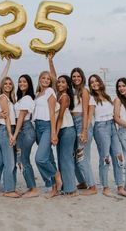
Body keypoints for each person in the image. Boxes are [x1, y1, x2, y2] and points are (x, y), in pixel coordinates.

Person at [88, 74, 126, 197]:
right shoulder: (92, 98)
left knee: (118, 156)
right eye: (91, 82)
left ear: (100, 82)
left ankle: (120, 186)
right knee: (105, 157)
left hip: (112, 126)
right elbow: (90, 117)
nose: (94, 83)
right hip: (101, 128)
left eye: (96, 81)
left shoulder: (107, 96)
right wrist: (85, 132)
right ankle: (105, 187)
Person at [48, 55, 77, 196]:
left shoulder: (65, 97)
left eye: (63, 82)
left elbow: (59, 118)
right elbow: (53, 77)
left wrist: (54, 134)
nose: (59, 84)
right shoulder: (58, 94)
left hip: (66, 130)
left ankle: (71, 189)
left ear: (67, 85)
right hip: (62, 130)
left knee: (66, 159)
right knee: (61, 159)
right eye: (59, 82)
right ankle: (66, 186)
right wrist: (50, 61)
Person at [33, 70, 61, 198]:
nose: (45, 80)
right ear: (39, 79)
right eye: (43, 78)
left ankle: (56, 175)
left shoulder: (50, 91)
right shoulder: (38, 93)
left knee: (40, 158)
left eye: (48, 79)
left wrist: (53, 133)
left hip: (47, 126)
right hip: (37, 126)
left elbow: (52, 113)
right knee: (48, 158)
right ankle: (54, 188)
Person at [70, 67, 97, 195]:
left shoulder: (84, 91)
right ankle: (82, 182)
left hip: (82, 124)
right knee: (74, 156)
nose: (76, 78)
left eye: (78, 76)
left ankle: (92, 187)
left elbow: (86, 112)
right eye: (74, 76)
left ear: (82, 77)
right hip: (72, 123)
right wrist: (51, 62)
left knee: (82, 157)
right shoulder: (71, 91)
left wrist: (84, 131)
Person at [11, 74, 38, 198]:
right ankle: (31, 187)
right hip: (22, 130)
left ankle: (33, 189)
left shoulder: (27, 98)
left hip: (25, 130)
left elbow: (21, 117)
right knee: (21, 159)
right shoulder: (21, 98)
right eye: (20, 81)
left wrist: (14, 135)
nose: (22, 83)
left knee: (23, 159)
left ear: (29, 84)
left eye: (24, 82)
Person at [0, 76, 20, 197]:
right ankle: (8, 190)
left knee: (13, 161)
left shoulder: (11, 98)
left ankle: (12, 187)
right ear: (2, 86)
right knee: (9, 162)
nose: (7, 85)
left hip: (11, 129)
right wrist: (10, 134)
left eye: (10, 83)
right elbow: (6, 117)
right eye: (5, 83)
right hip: (6, 131)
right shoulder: (3, 98)